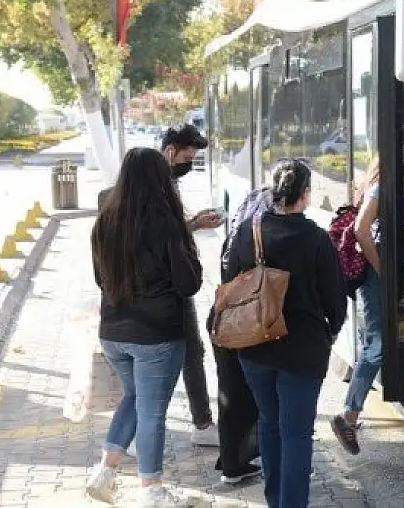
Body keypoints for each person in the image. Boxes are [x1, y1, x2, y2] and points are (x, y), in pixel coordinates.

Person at [225, 159, 348, 508]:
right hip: (303, 352)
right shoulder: (316, 239)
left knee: (270, 422)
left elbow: (229, 287)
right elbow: (335, 301)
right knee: (297, 433)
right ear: (305, 195)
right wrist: (329, 336)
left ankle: (275, 499)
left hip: (254, 347)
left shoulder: (249, 231)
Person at [86, 147, 202, 507]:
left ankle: (104, 473)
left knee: (134, 398)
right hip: (157, 336)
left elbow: (98, 279)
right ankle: (151, 490)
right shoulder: (166, 222)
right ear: (159, 178)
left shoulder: (104, 221)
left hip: (114, 333)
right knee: (152, 412)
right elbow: (189, 284)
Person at [160, 124, 223, 447]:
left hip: (173, 282)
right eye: (187, 156)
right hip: (167, 284)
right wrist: (195, 224)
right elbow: (159, 236)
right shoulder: (157, 184)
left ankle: (202, 422)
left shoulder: (166, 181)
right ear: (170, 151)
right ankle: (201, 424)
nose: (188, 164)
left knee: (190, 352)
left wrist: (194, 223)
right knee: (185, 353)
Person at [206, 187, 272, 485]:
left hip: (224, 322)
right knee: (253, 396)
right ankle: (249, 460)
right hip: (247, 324)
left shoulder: (233, 236)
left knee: (230, 394)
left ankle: (232, 462)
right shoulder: (258, 238)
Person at [330, 156, 383, 456]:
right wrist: (382, 271)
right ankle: (348, 416)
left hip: (372, 273)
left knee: (371, 343)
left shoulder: (376, 185)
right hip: (374, 275)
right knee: (377, 346)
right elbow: (362, 230)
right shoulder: (381, 188)